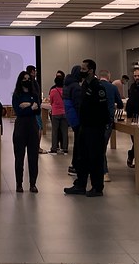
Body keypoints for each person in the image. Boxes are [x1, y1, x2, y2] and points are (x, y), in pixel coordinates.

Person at [64, 58, 112, 198]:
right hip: (84, 126)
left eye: (84, 69)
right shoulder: (84, 84)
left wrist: (100, 125)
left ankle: (97, 187)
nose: (81, 71)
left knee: (95, 157)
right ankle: (80, 184)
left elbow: (102, 109)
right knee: (82, 157)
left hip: (95, 127)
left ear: (91, 70)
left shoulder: (98, 87)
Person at [11, 70, 41, 193]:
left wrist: (26, 105)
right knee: (19, 158)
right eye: (24, 79)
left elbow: (38, 110)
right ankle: (19, 184)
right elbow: (19, 112)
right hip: (20, 127)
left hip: (33, 127)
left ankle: (33, 184)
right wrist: (31, 107)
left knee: (33, 158)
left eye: (29, 79)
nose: (27, 81)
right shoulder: (16, 95)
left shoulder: (34, 94)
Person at [102, 74, 122, 182]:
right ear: (108, 77)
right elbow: (120, 104)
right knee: (103, 147)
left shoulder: (93, 86)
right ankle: (104, 172)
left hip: (96, 121)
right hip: (108, 121)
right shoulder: (113, 87)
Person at [48, 73, 68, 155]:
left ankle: (54, 149)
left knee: (55, 131)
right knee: (64, 132)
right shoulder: (66, 90)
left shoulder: (53, 91)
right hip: (65, 113)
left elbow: (51, 102)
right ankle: (65, 149)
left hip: (55, 113)